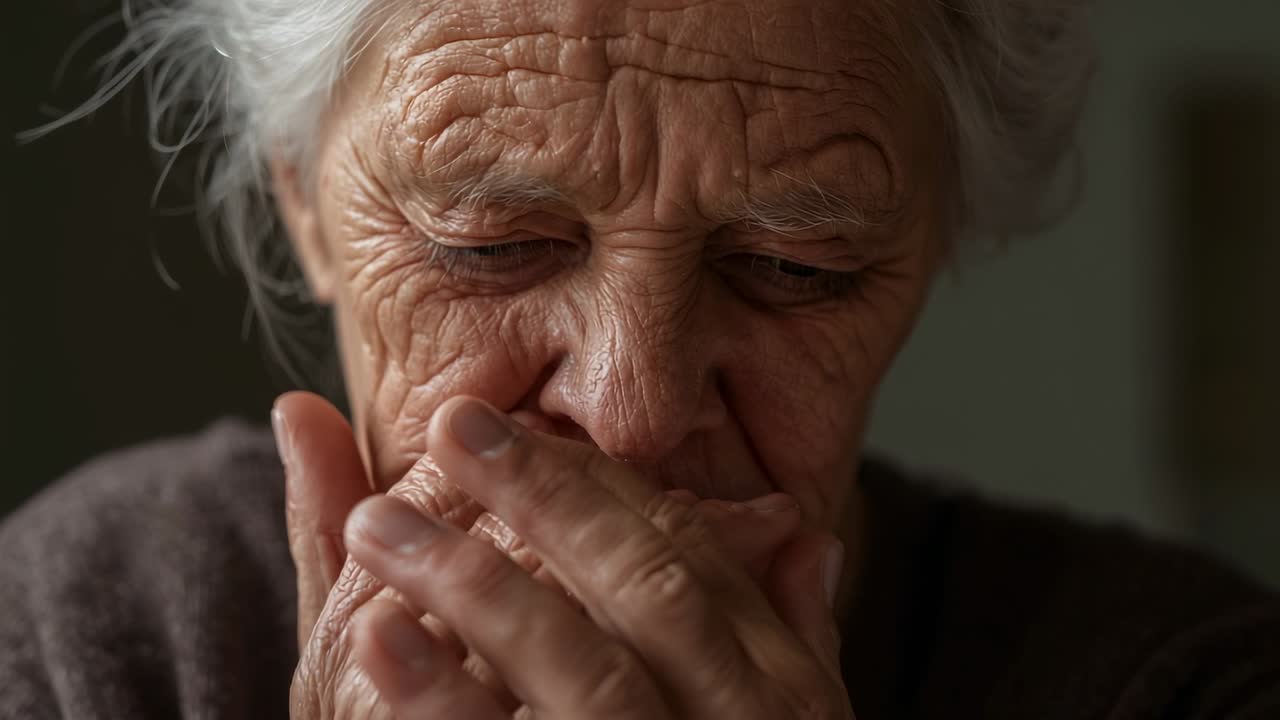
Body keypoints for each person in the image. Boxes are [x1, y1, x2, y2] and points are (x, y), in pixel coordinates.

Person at [3, 0, 1278, 718]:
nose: (630, 417)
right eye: (490, 245)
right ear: (300, 203)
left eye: (795, 267)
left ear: (934, 242)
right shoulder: (78, 640)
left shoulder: (1185, 685)